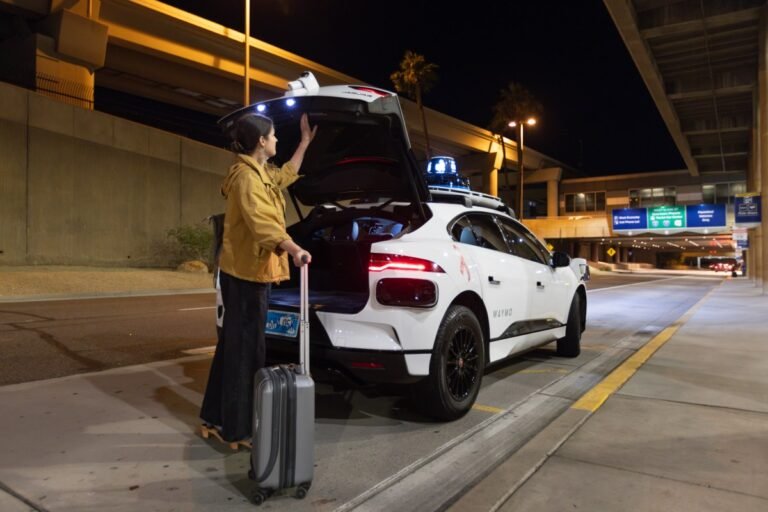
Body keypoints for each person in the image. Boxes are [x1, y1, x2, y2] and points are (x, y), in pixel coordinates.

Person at [200, 112, 316, 446]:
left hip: (248, 273)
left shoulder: (260, 173)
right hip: (246, 276)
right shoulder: (247, 179)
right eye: (275, 136)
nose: (278, 140)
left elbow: (286, 175)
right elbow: (262, 223)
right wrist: (294, 248)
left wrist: (305, 142)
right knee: (246, 353)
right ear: (262, 142)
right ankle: (234, 430)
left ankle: (213, 418)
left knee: (232, 349)